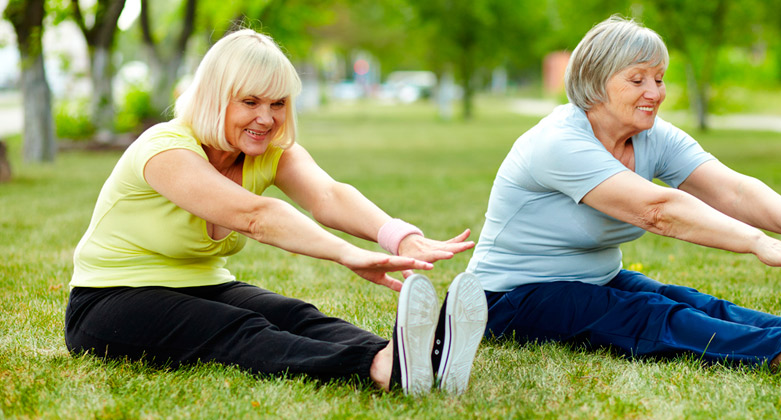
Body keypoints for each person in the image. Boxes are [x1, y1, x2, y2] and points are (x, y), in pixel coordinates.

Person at [64, 29, 488, 396]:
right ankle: (378, 368)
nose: (266, 118)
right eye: (250, 101)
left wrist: (398, 236)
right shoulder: (165, 149)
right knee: (240, 330)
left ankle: (418, 359)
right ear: (216, 98)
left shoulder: (269, 151)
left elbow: (328, 194)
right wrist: (346, 253)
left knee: (296, 316)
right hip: (110, 300)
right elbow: (255, 215)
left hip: (202, 285)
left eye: (278, 103)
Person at [466, 16, 781, 372]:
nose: (655, 92)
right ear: (594, 83)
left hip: (592, 279)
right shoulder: (558, 142)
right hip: (506, 300)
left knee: (687, 302)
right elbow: (658, 211)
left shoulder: (652, 136)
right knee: (648, 315)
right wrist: (759, 243)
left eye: (659, 79)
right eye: (637, 79)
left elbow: (731, 189)